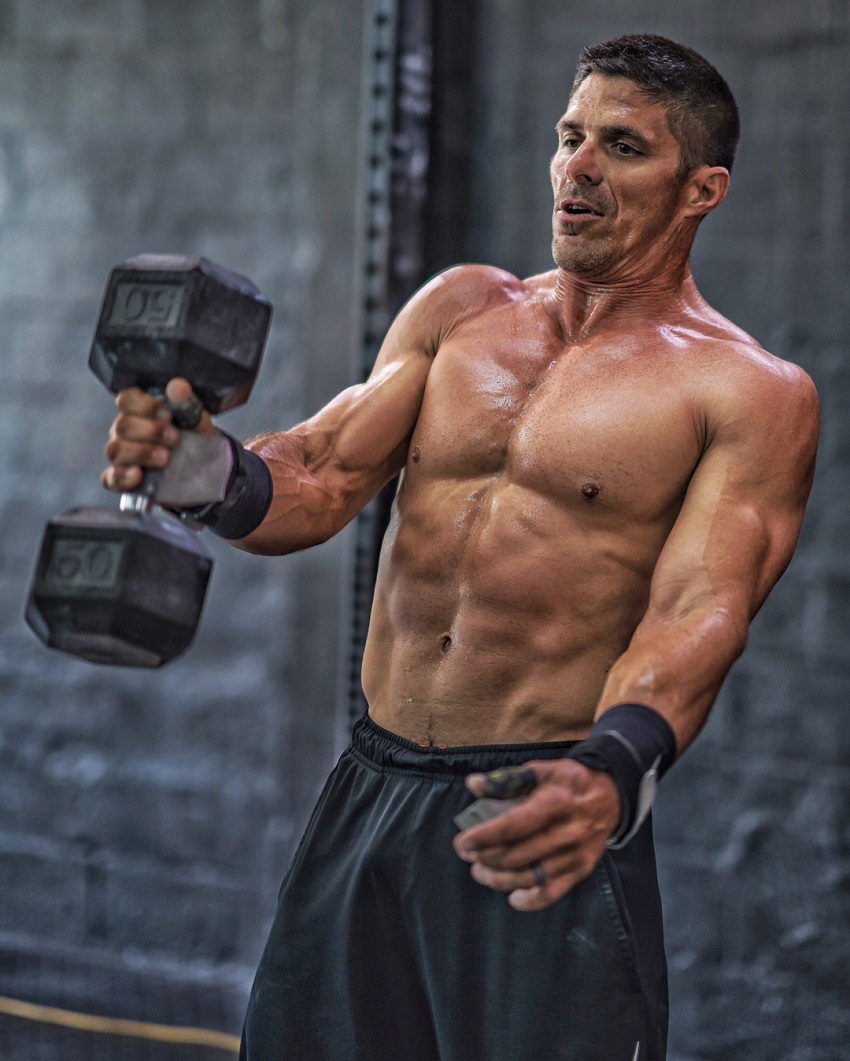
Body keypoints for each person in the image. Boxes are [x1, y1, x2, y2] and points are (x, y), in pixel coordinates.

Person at [102, 33, 818, 1061]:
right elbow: (321, 473)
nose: (578, 166)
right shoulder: (463, 308)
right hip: (370, 791)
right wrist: (194, 467)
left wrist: (613, 770)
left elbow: (699, 606)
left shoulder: (747, 392)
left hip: (536, 807)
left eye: (621, 147)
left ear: (701, 188)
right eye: (570, 137)